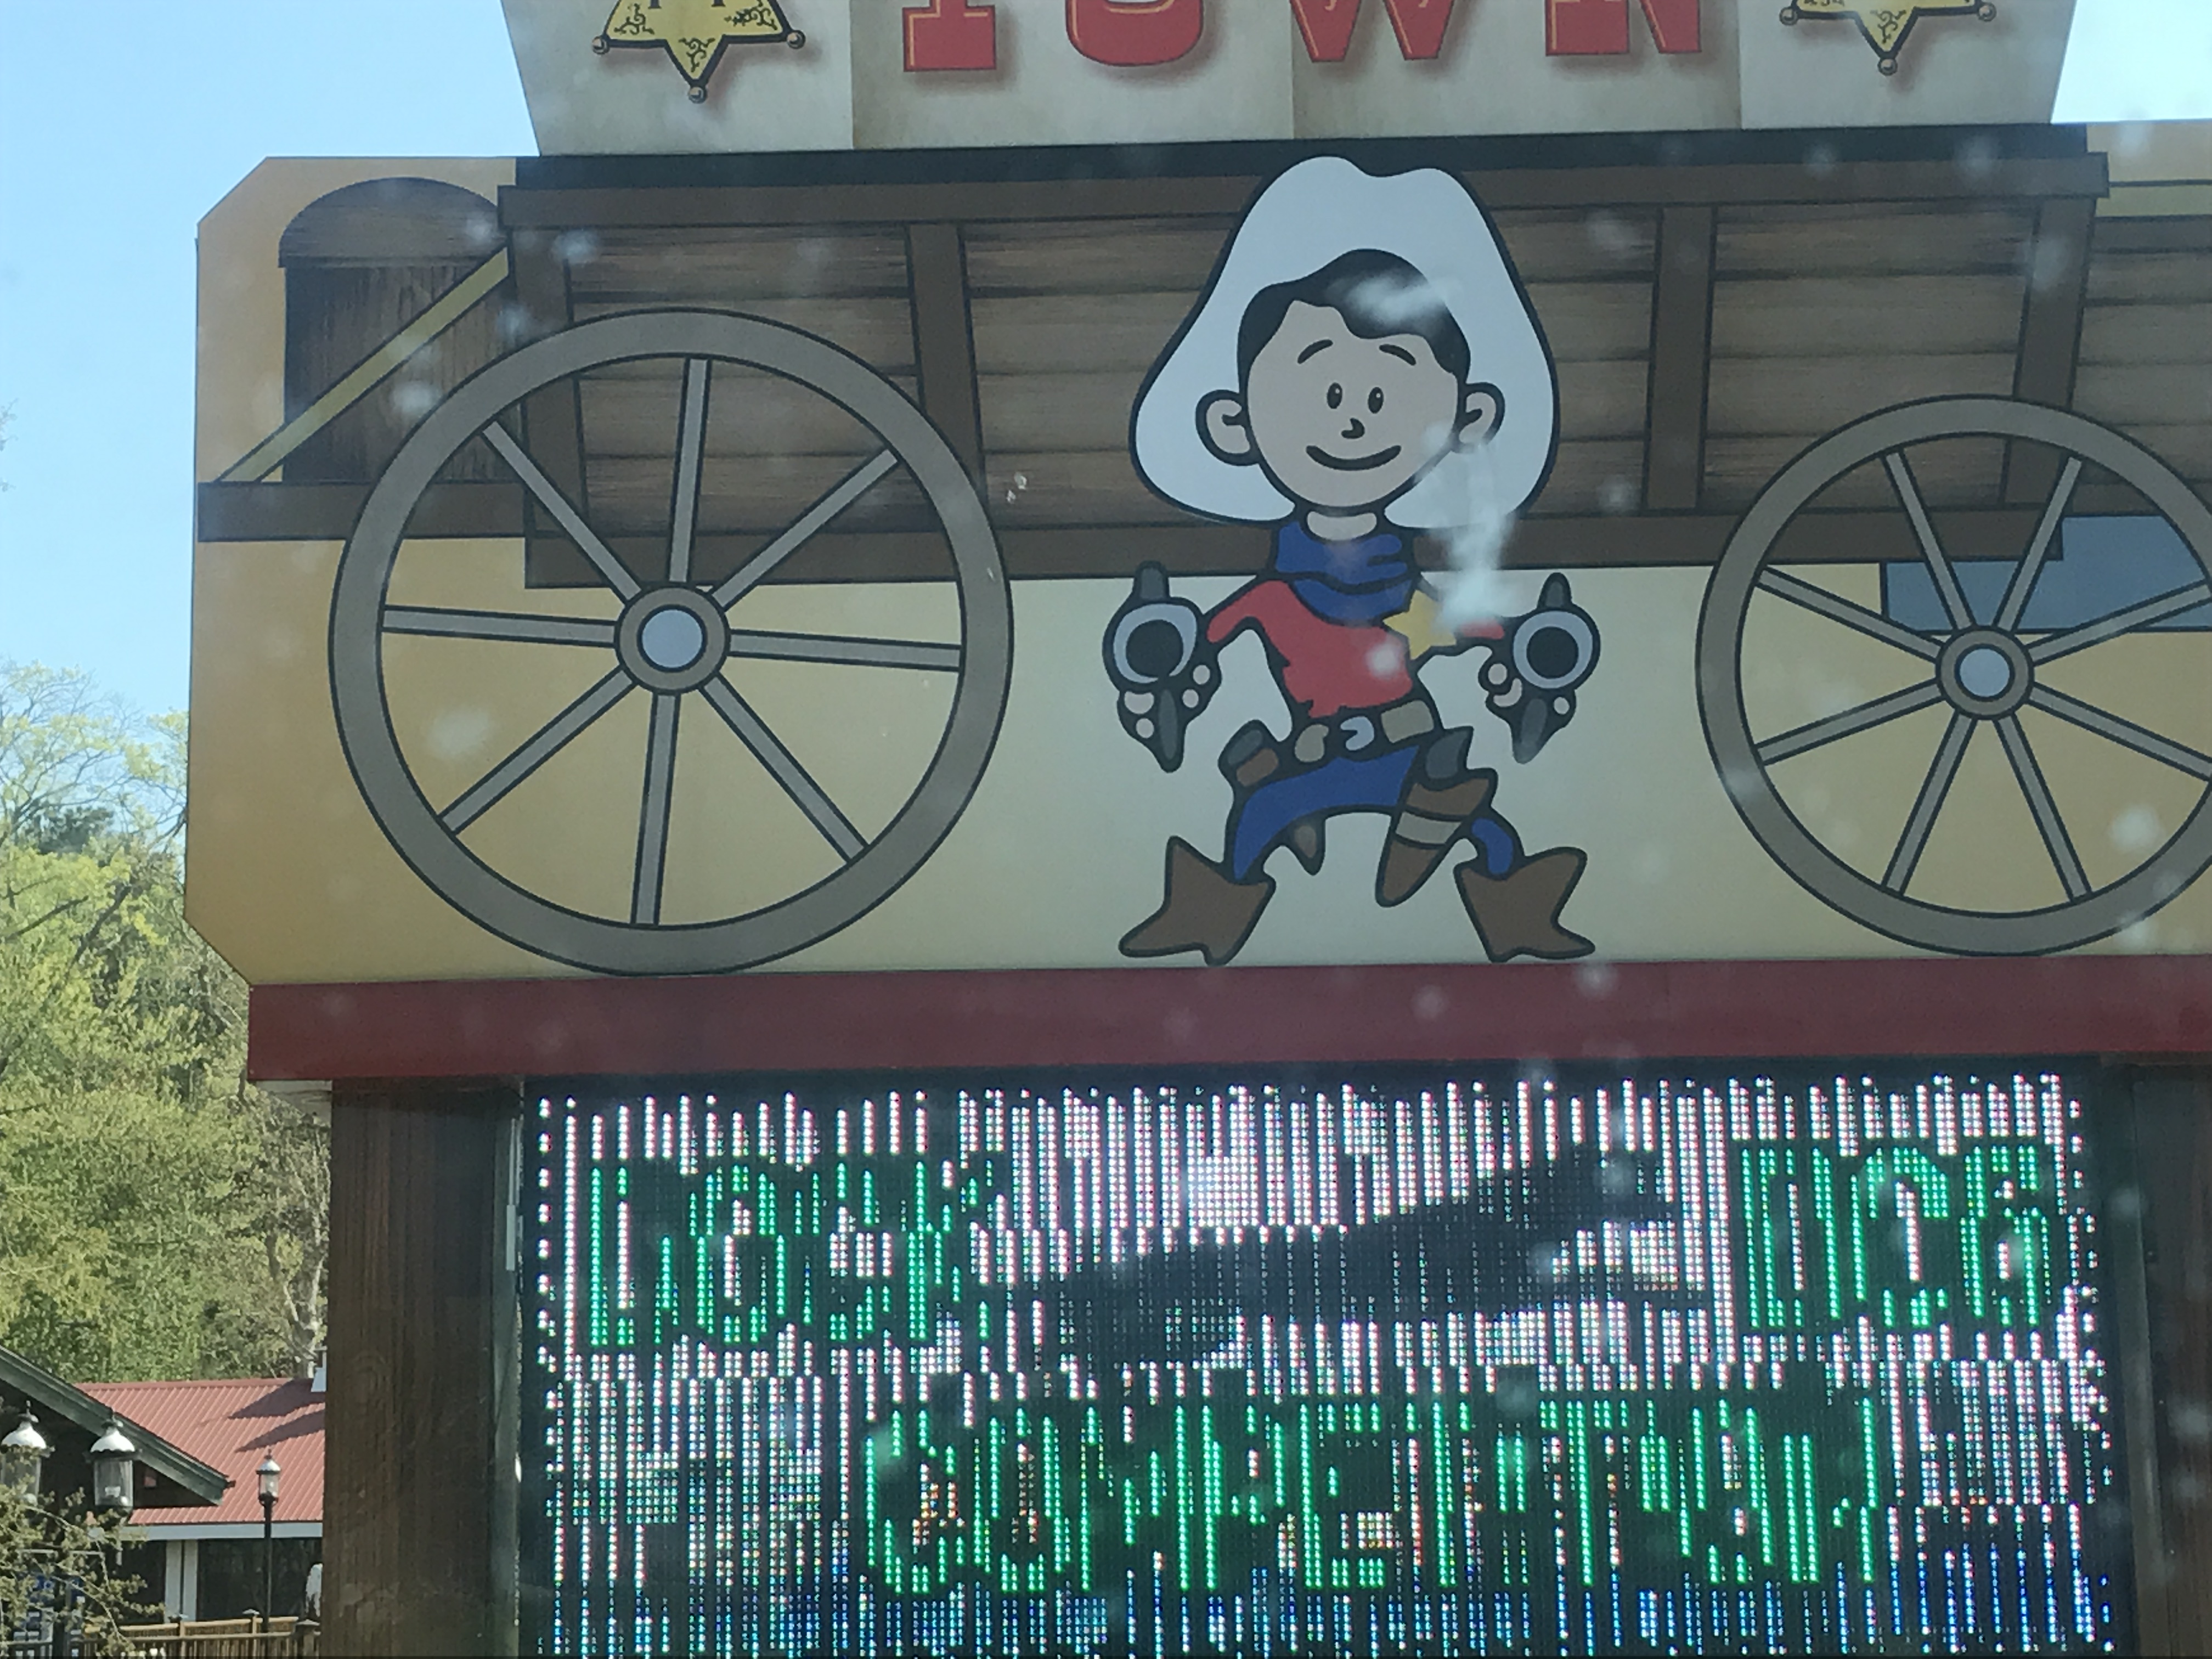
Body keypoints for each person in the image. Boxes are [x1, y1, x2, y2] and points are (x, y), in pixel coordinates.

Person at [1111, 156, 1596, 966]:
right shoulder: (1276, 597)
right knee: (1258, 821)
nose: (1353, 421)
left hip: (1412, 751)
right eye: (1326, 395)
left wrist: (1533, 652)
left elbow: (1475, 627)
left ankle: (1514, 915)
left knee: (1483, 827)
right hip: (1315, 757)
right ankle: (1210, 919)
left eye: (1383, 397)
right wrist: (1163, 661)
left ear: (1469, 418)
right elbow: (1195, 645)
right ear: (1234, 423)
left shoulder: (1405, 596)